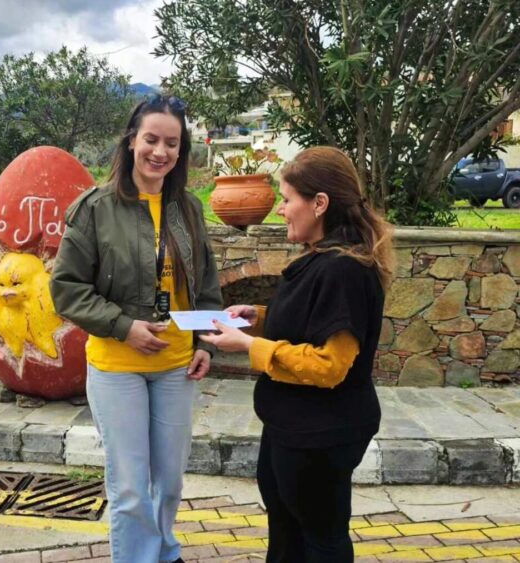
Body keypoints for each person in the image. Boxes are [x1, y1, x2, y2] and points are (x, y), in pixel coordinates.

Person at [50, 94, 223, 563]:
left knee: (169, 481)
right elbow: (66, 289)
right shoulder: (95, 208)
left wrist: (205, 343)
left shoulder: (188, 209)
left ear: (181, 150)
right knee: (129, 486)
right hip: (117, 367)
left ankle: (164, 553)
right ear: (131, 141)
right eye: (151, 139)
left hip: (176, 367)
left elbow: (206, 284)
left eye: (172, 143)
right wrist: (124, 327)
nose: (160, 152)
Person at [200, 146, 394, 563]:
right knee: (288, 528)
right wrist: (258, 318)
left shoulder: (343, 268)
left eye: (287, 200)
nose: (280, 210)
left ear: (319, 204)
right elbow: (309, 321)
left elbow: (329, 365)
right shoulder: (323, 258)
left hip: (321, 433)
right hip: (295, 426)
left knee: (321, 539)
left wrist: (249, 346)